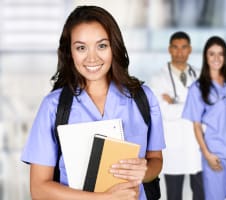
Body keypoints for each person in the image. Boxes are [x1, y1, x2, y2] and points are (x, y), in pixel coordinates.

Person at [20, 5, 165, 200]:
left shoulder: (143, 98)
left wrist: (144, 171)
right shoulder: (54, 107)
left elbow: (156, 160)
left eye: (102, 45)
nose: (92, 57)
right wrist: (106, 198)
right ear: (69, 52)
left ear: (114, 46)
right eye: (81, 47)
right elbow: (39, 189)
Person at [182, 36, 226, 200]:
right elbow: (196, 125)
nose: (216, 58)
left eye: (220, 54)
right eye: (212, 54)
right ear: (206, 57)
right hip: (216, 154)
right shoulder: (197, 88)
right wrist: (207, 154)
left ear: (225, 57)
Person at [150, 31, 204, 200]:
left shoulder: (201, 75)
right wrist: (192, 104)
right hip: (174, 147)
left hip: (198, 146)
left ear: (190, 50)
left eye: (184, 47)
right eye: (175, 47)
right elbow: (164, 112)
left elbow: (206, 107)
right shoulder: (158, 79)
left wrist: (175, 102)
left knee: (201, 194)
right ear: (169, 49)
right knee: (174, 196)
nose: (179, 51)